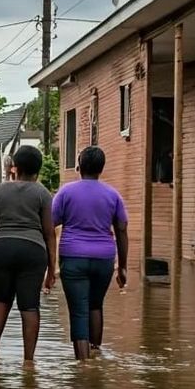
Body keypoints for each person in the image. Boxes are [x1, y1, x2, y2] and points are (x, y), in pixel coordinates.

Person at [0, 145, 57, 362]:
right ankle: (28, 359)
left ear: (14, 168)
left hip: (0, 248)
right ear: (38, 170)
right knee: (29, 304)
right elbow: (49, 234)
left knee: (1, 299)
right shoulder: (43, 194)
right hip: (32, 250)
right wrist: (51, 269)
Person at [51, 146, 129, 361]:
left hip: (73, 257)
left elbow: (50, 223)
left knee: (78, 310)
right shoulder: (113, 195)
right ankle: (95, 354)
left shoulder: (65, 192)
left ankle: (83, 366)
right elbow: (121, 229)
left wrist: (48, 264)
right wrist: (122, 266)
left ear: (79, 166)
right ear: (101, 169)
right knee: (95, 305)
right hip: (104, 259)